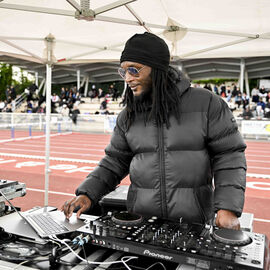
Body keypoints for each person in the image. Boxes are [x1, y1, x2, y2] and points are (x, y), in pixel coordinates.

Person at [62, 32, 246, 230]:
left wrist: (227, 208)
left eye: (134, 70)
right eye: (123, 72)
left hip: (194, 225)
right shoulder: (128, 116)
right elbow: (114, 161)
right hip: (140, 224)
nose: (128, 78)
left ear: (157, 69)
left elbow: (229, 156)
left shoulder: (207, 103)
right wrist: (88, 193)